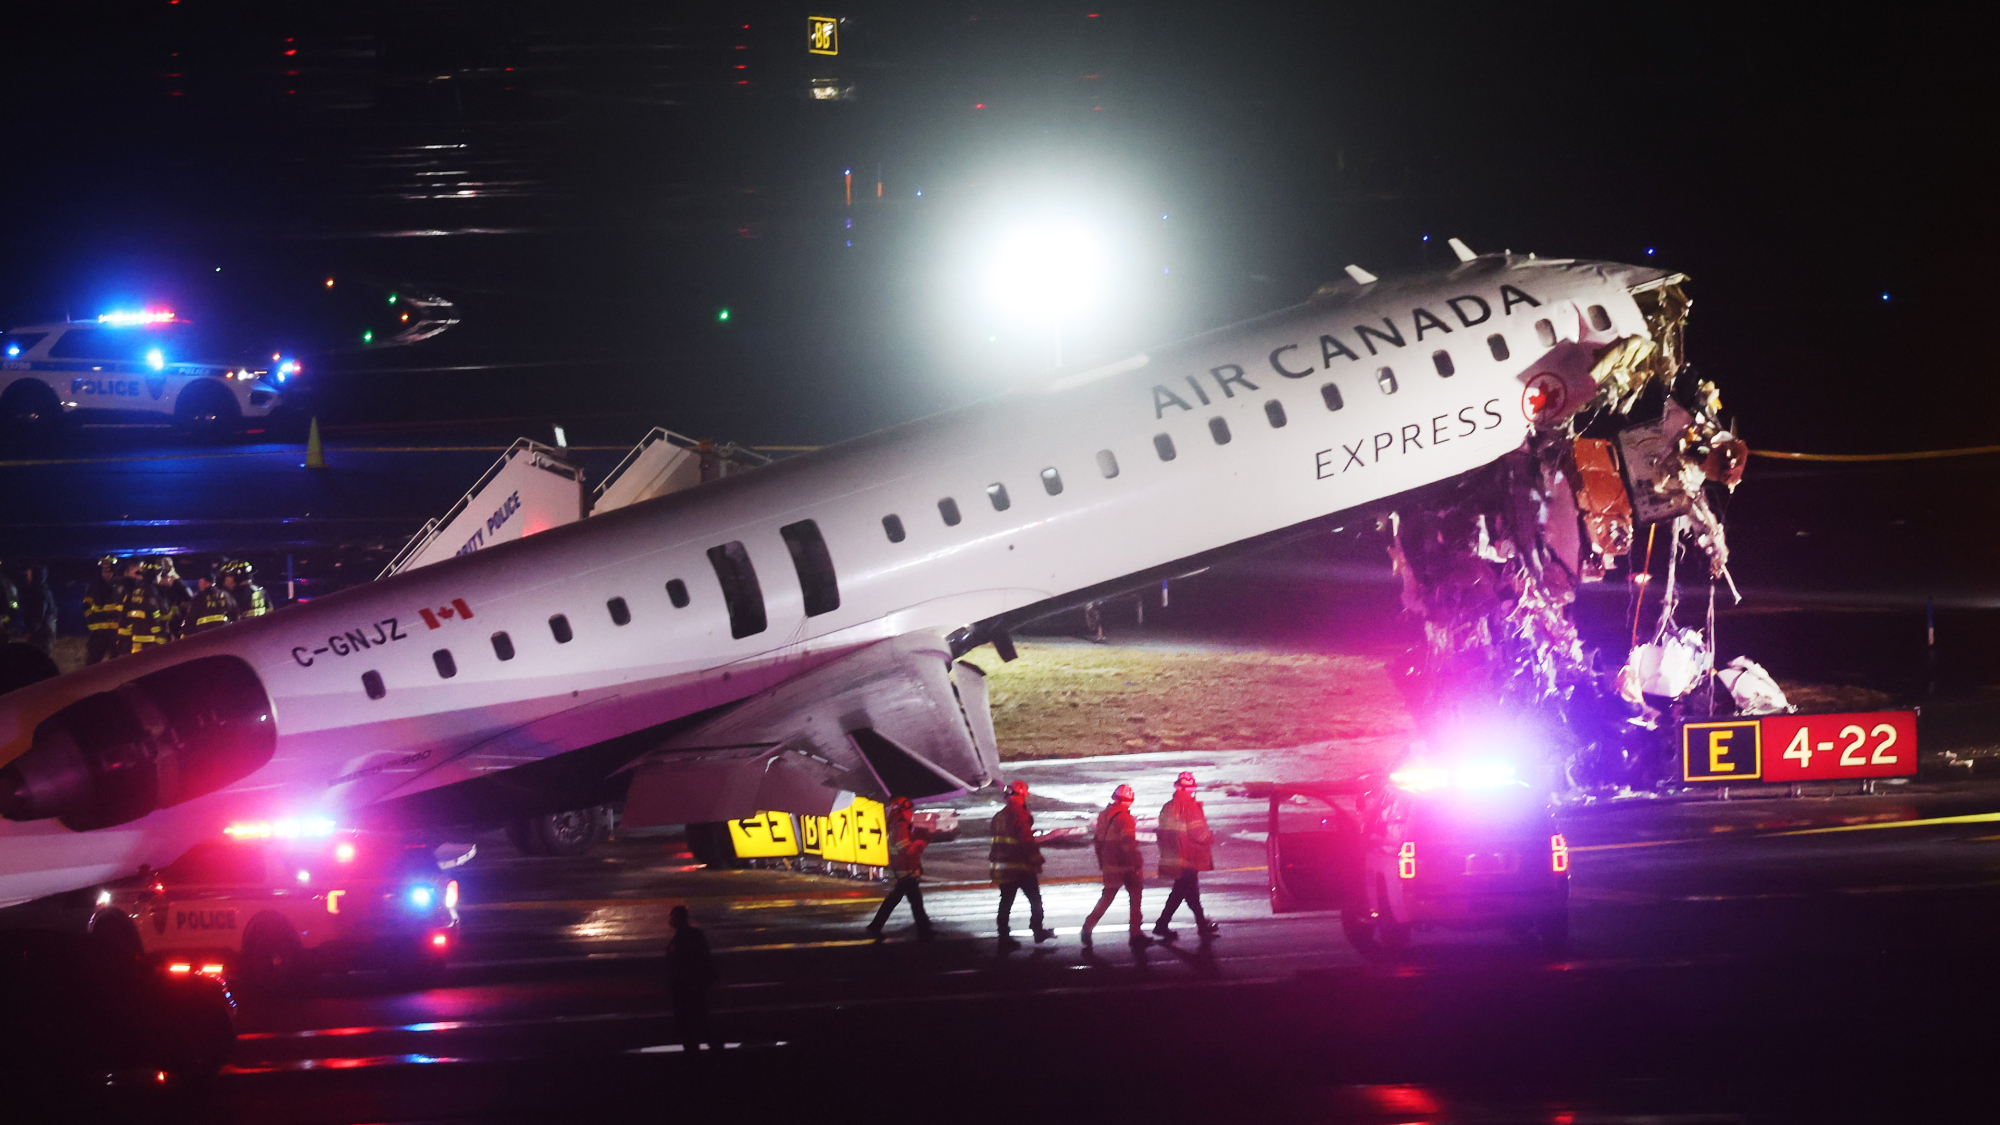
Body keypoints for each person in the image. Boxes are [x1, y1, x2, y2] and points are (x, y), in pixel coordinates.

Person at [1153, 771, 1219, 942]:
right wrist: (1210, 837)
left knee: (1189, 892)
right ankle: (1163, 924)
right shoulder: (1191, 806)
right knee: (1182, 892)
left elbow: (1162, 832)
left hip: (1173, 857)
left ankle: (1201, 924)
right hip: (1189, 856)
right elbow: (1198, 833)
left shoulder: (1168, 806)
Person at [1080, 783, 1149, 948]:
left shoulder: (1104, 815)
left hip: (1109, 864)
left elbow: (1097, 841)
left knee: (1107, 897)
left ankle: (1088, 926)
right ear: (1130, 800)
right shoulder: (1125, 818)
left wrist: (1102, 862)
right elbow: (1128, 844)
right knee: (1135, 896)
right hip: (1125, 865)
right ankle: (1135, 934)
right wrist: (1137, 863)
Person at [990, 779, 1055, 949]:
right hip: (1020, 868)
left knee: (1005, 903)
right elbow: (1026, 841)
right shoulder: (1019, 814)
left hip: (1003, 869)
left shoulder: (999, 816)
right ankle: (1038, 931)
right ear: (1020, 796)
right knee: (1035, 900)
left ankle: (1003, 937)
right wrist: (1036, 859)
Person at [866, 796, 935, 941]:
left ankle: (924, 927)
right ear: (903, 811)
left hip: (904, 870)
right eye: (909, 809)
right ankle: (924, 930)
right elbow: (906, 851)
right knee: (912, 900)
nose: (911, 812)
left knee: (907, 899)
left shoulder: (897, 825)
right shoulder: (901, 826)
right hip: (905, 871)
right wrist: (922, 842)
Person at [664, 904, 721, 1056]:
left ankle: (696, 1054)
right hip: (695, 986)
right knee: (701, 1019)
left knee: (690, 1022)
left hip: (687, 988)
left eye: (672, 917)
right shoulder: (695, 934)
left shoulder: (679, 939)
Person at [116, 559, 167, 658]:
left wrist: (123, 641)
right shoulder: (154, 591)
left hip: (136, 641)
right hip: (153, 643)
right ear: (154, 575)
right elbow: (159, 615)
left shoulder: (133, 593)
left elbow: (125, 617)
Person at [83, 556, 126, 664]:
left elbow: (126, 606)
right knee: (92, 662)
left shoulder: (122, 584)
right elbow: (86, 605)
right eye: (104, 571)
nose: (106, 575)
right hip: (98, 633)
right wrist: (92, 619)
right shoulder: (94, 586)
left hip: (115, 632)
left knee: (116, 662)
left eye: (109, 572)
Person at [13, 565, 56, 655]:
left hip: (41, 632)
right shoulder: (39, 590)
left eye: (29, 574)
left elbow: (39, 613)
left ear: (36, 576)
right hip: (43, 630)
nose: (27, 577)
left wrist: (31, 630)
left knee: (39, 656)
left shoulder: (40, 592)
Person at [184, 568, 239, 636]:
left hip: (204, 638)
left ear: (204, 581)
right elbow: (236, 617)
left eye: (200, 582)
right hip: (224, 636)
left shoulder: (198, 598)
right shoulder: (227, 595)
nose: (199, 584)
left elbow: (190, 622)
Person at [155, 557, 193, 642]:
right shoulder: (160, 588)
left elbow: (189, 597)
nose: (160, 580)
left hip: (175, 622)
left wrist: (178, 610)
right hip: (164, 624)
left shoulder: (178, 584)